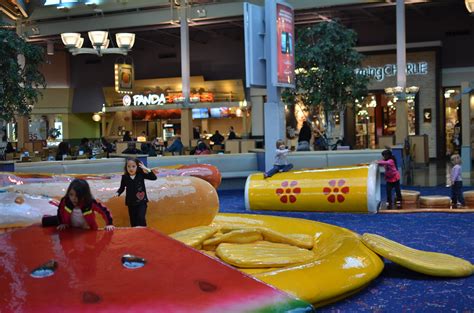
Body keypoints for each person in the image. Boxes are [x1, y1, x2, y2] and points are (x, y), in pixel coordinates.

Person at [116, 158, 157, 227]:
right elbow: (122, 187)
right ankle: (136, 234)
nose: (130, 168)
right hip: (131, 203)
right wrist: (118, 193)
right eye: (128, 166)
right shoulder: (125, 177)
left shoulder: (141, 175)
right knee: (133, 221)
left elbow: (153, 178)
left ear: (137, 167)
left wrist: (146, 169)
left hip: (142, 202)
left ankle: (145, 231)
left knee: (141, 218)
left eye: (133, 166)